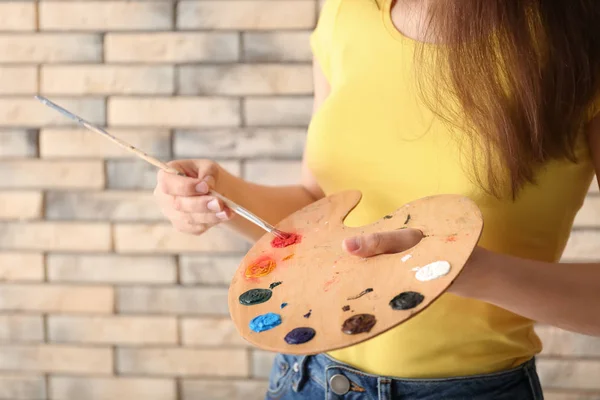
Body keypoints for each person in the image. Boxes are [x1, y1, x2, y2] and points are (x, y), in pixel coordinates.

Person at [154, 0, 600, 398]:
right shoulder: (347, 12)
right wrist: (221, 196)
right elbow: (319, 210)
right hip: (306, 379)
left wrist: (460, 269)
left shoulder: (580, 37)